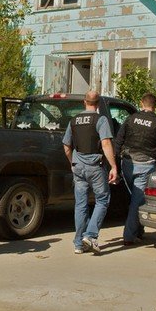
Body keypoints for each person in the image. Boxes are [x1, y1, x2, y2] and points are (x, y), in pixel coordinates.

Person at [63, 90, 117, 255]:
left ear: (84, 102)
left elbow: (66, 146)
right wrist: (113, 166)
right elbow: (106, 143)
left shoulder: (73, 121)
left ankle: (78, 244)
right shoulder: (100, 119)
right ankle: (90, 235)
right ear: (98, 104)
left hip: (78, 166)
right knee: (102, 199)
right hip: (95, 166)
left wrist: (73, 162)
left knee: (81, 204)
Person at [115, 92, 156, 245]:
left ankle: (138, 231)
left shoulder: (131, 118)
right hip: (146, 165)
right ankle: (129, 236)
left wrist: (115, 163)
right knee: (137, 200)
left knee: (136, 198)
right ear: (155, 106)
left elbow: (118, 140)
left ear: (142, 103)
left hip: (127, 163)